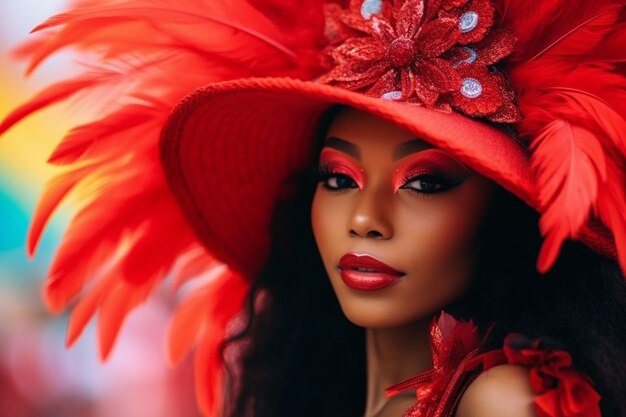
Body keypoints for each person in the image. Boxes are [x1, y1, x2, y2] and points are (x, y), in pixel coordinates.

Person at [1, 1, 625, 417]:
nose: (365, 217)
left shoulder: (502, 401)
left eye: (426, 183)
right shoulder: (326, 392)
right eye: (339, 177)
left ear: (505, 216)